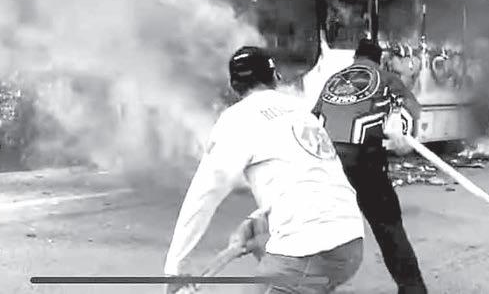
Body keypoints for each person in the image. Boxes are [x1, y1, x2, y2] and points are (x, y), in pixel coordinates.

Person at [164, 46, 365, 293]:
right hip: (351, 239)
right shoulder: (301, 112)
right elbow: (307, 180)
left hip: (308, 247)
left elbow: (203, 195)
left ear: (234, 86)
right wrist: (257, 219)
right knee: (273, 253)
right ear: (275, 77)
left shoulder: (238, 118)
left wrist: (175, 267)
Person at [311, 38, 428, 294]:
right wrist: (404, 131)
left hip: (326, 163)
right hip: (364, 160)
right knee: (388, 227)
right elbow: (412, 108)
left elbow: (313, 118)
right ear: (379, 59)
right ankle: (412, 289)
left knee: (321, 230)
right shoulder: (385, 77)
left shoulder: (334, 80)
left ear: (355, 57)